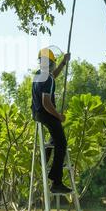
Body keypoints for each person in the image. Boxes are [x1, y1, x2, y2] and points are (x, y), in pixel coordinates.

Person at [31, 48, 71, 194]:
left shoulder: (39, 75)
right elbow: (46, 102)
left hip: (37, 113)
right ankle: (56, 182)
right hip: (45, 113)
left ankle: (45, 158)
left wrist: (63, 63)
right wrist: (58, 116)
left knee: (55, 138)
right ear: (50, 63)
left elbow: (53, 77)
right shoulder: (46, 78)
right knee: (62, 143)